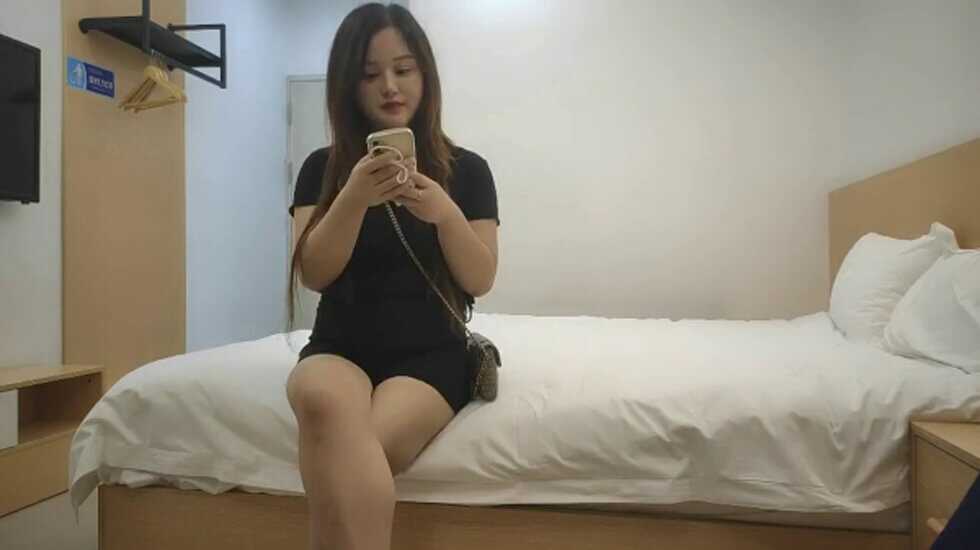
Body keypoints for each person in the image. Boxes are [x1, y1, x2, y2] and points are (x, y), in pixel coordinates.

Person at [284, 3, 499, 549]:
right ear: (347, 85)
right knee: (320, 403)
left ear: (425, 74)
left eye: (403, 69)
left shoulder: (468, 170)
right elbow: (314, 273)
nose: (389, 86)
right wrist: (353, 197)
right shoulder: (322, 168)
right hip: (339, 344)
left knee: (352, 452)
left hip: (429, 352)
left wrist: (445, 213)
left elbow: (480, 278)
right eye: (369, 74)